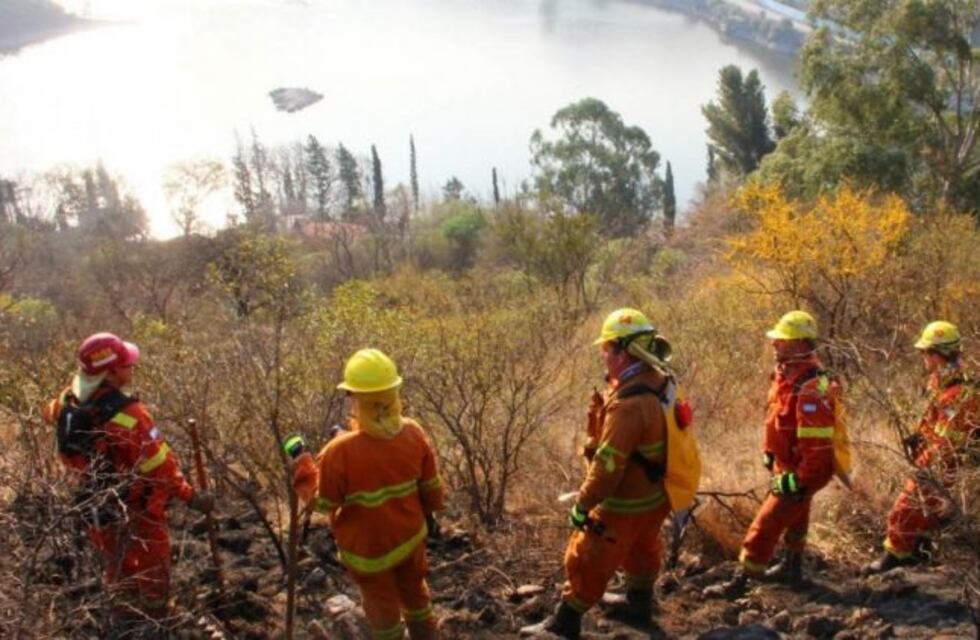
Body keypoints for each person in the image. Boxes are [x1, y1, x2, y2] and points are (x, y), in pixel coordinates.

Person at [43, 332, 212, 636]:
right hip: (140, 508)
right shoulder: (131, 416)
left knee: (117, 568)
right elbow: (162, 469)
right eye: (127, 364)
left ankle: (124, 620)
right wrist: (191, 496)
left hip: (96, 508)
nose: (132, 368)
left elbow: (50, 413)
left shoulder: (67, 402)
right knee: (153, 572)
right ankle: (157, 624)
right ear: (110, 373)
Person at [525, 308, 680, 639]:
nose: (603, 354)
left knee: (588, 555)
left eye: (607, 348)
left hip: (624, 503)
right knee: (643, 547)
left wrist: (583, 505)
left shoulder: (628, 406)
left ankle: (564, 624)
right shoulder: (659, 380)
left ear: (624, 354)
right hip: (656, 496)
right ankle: (638, 603)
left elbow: (608, 465)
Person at [292, 348, 445, 640]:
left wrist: (303, 468)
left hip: (369, 554)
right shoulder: (414, 432)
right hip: (411, 538)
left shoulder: (339, 452)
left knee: (382, 609)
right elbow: (432, 488)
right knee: (416, 597)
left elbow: (323, 502)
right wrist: (431, 517)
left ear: (356, 399)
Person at [705, 311, 840, 598]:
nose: (774, 344)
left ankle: (741, 582)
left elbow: (818, 455)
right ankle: (793, 568)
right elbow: (777, 420)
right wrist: (771, 453)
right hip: (788, 464)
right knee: (797, 514)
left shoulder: (813, 388)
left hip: (803, 471)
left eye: (783, 339)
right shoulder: (785, 376)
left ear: (802, 344)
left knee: (765, 525)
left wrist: (799, 482)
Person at [865, 321, 979, 573]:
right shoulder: (943, 382)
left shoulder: (958, 392)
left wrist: (924, 465)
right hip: (938, 459)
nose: (922, 357)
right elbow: (935, 425)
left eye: (925, 352)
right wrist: (919, 436)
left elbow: (947, 442)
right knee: (926, 512)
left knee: (905, 509)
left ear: (936, 355)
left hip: (940, 463)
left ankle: (894, 557)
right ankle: (920, 555)